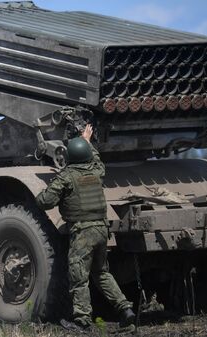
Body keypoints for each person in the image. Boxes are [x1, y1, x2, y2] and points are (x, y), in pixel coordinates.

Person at [35, 124, 135, 332]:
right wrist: (87, 140)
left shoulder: (67, 176)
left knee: (78, 278)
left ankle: (81, 321)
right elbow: (97, 159)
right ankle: (126, 311)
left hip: (82, 233)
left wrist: (39, 195)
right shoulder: (97, 171)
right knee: (101, 273)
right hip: (101, 229)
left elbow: (46, 201)